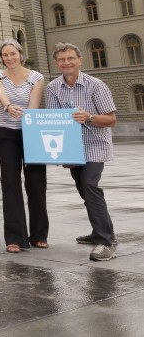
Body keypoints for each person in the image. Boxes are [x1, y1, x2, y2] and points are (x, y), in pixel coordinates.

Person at [45, 42, 117, 261]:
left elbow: (111, 119)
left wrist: (90, 117)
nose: (66, 63)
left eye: (70, 58)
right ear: (57, 63)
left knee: (89, 185)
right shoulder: (53, 88)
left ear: (79, 60)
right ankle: (102, 231)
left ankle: (105, 243)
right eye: (62, 59)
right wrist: (61, 152)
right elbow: (54, 122)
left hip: (95, 144)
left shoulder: (96, 85)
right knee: (84, 190)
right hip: (72, 146)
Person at [0, 38, 47, 254]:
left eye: (12, 54)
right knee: (10, 183)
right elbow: (0, 93)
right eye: (5, 55)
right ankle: (15, 237)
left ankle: (39, 234)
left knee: (36, 183)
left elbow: (33, 107)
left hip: (31, 131)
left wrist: (25, 117)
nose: (9, 58)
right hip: (6, 134)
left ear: (20, 54)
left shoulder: (36, 77)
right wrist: (7, 105)